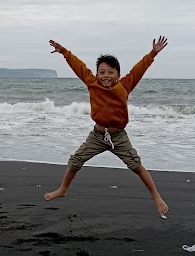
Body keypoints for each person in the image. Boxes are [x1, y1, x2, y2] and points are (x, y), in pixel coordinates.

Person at [44, 37, 170, 217]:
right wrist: (64, 51)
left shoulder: (125, 85)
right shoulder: (91, 83)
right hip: (97, 135)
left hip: (118, 136)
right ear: (96, 74)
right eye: (101, 72)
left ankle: (157, 197)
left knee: (136, 165)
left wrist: (153, 53)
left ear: (118, 75)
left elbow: (139, 68)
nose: (106, 75)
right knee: (75, 161)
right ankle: (63, 189)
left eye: (111, 72)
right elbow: (78, 65)